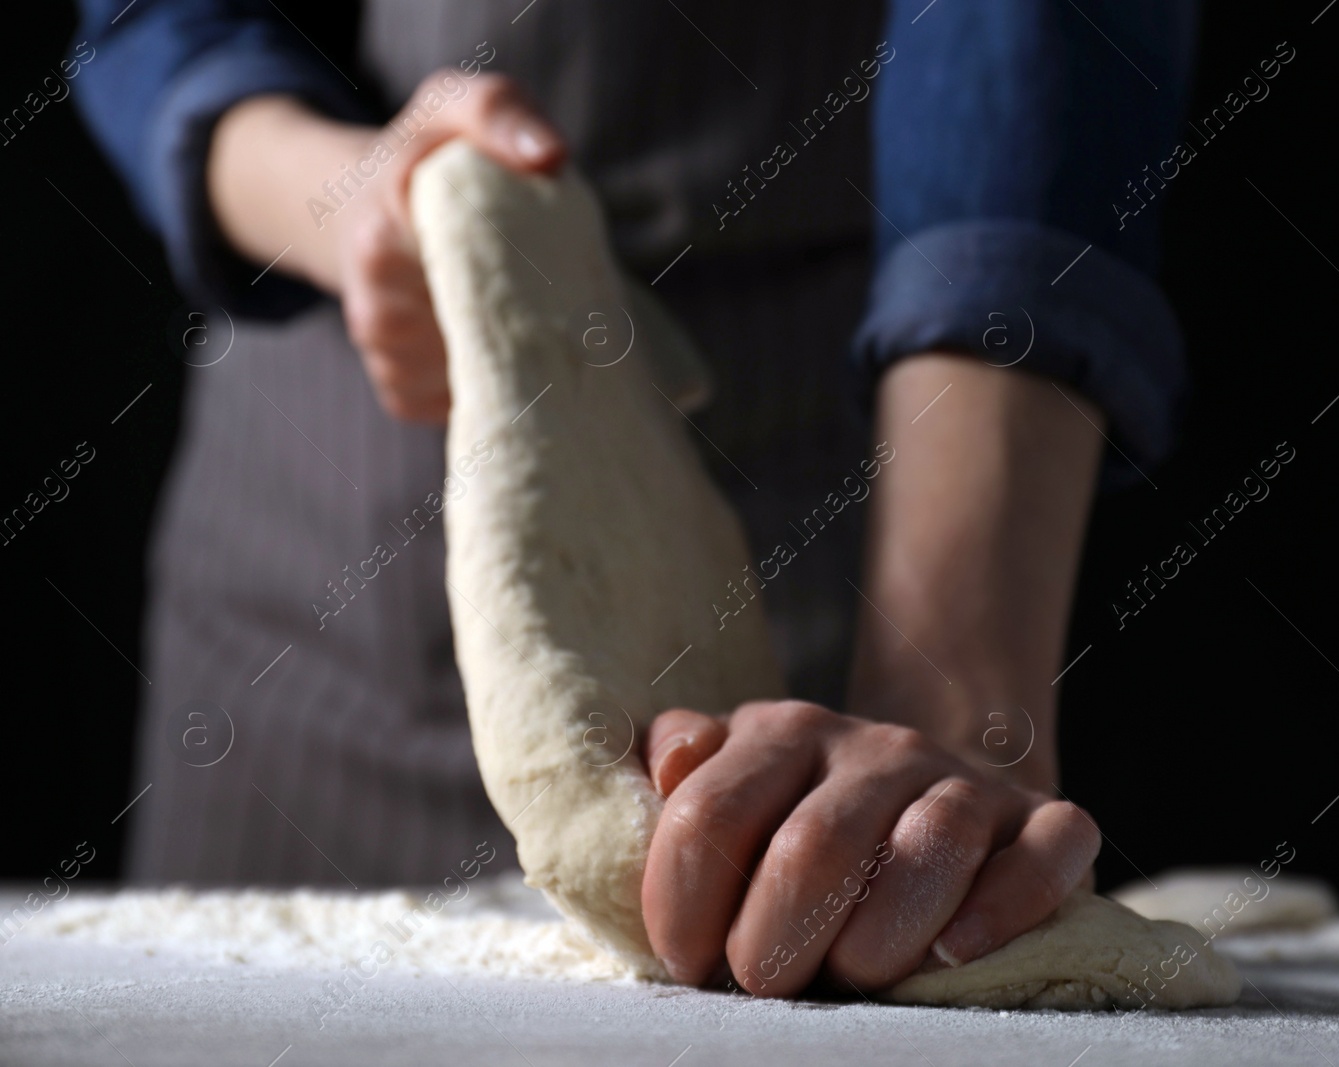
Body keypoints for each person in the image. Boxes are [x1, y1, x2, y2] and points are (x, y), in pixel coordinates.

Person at [73, 0, 1194, 995]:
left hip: (825, 531)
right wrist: (345, 196)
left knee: (819, 917)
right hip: (316, 584)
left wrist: (947, 697)